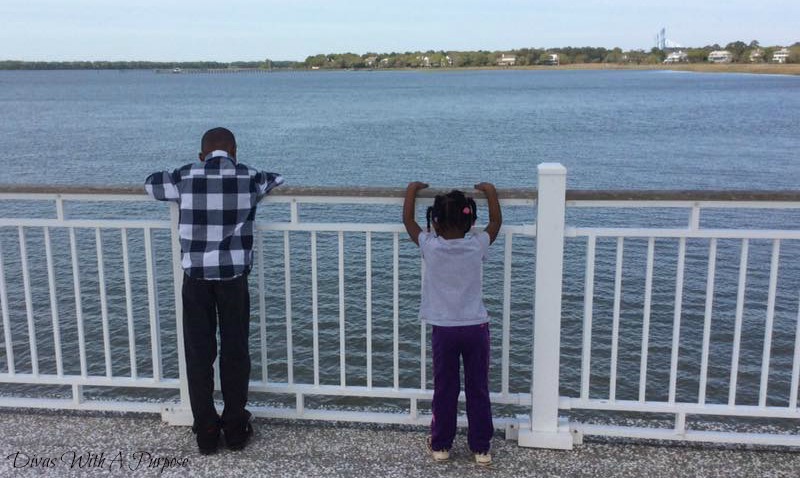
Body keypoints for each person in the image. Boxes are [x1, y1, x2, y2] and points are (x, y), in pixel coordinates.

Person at [145, 127, 283, 454]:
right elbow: (275, 178)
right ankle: (235, 429)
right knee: (235, 352)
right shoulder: (249, 176)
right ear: (234, 152)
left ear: (201, 155)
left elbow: (151, 184)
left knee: (199, 354)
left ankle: (206, 430)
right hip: (233, 278)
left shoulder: (185, 175)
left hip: (195, 279)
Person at [402, 181, 502, 466]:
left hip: (444, 331)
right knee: (478, 388)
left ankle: (441, 444)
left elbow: (408, 220)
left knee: (445, 388)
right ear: (470, 220)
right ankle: (481, 448)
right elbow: (496, 221)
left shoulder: (431, 247)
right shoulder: (476, 244)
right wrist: (491, 192)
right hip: (476, 329)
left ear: (435, 222)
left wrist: (411, 190)